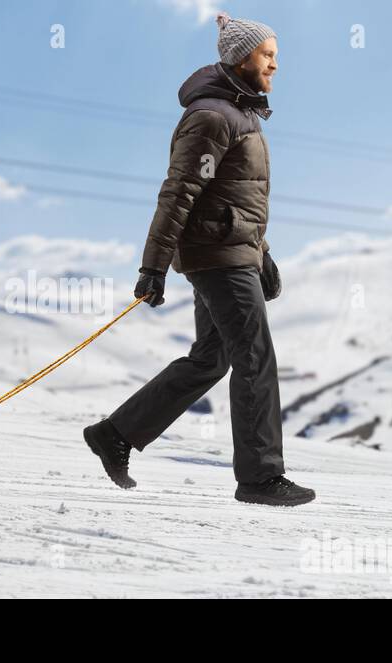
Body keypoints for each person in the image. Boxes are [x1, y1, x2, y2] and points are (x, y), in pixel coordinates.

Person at [83, 12, 315, 507]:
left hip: (232, 252)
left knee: (213, 358)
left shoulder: (240, 115)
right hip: (218, 258)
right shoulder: (212, 116)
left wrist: (262, 254)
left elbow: (232, 198)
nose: (276, 64)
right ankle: (260, 477)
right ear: (240, 57)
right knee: (255, 357)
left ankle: (115, 434)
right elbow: (180, 193)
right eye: (268, 55)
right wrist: (154, 265)